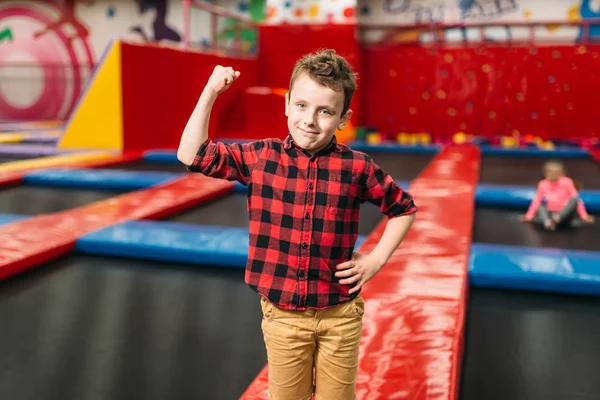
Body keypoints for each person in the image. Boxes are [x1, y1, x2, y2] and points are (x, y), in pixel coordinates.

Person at [177, 48, 417, 399]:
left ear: (343, 118)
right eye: (302, 106)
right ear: (287, 104)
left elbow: (403, 208)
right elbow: (191, 155)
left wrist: (376, 259)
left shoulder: (357, 167)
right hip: (283, 317)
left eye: (325, 111)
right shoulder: (261, 157)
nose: (310, 120)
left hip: (340, 315)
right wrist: (210, 91)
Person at [520, 159, 595, 230]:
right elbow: (536, 200)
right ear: (545, 173)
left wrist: (584, 216)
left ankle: (558, 217)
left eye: (555, 172)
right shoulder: (542, 184)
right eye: (550, 172)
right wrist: (529, 216)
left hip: (565, 215)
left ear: (561, 173)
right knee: (539, 205)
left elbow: (576, 200)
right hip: (550, 213)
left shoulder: (567, 182)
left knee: (574, 199)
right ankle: (548, 222)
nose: (552, 174)